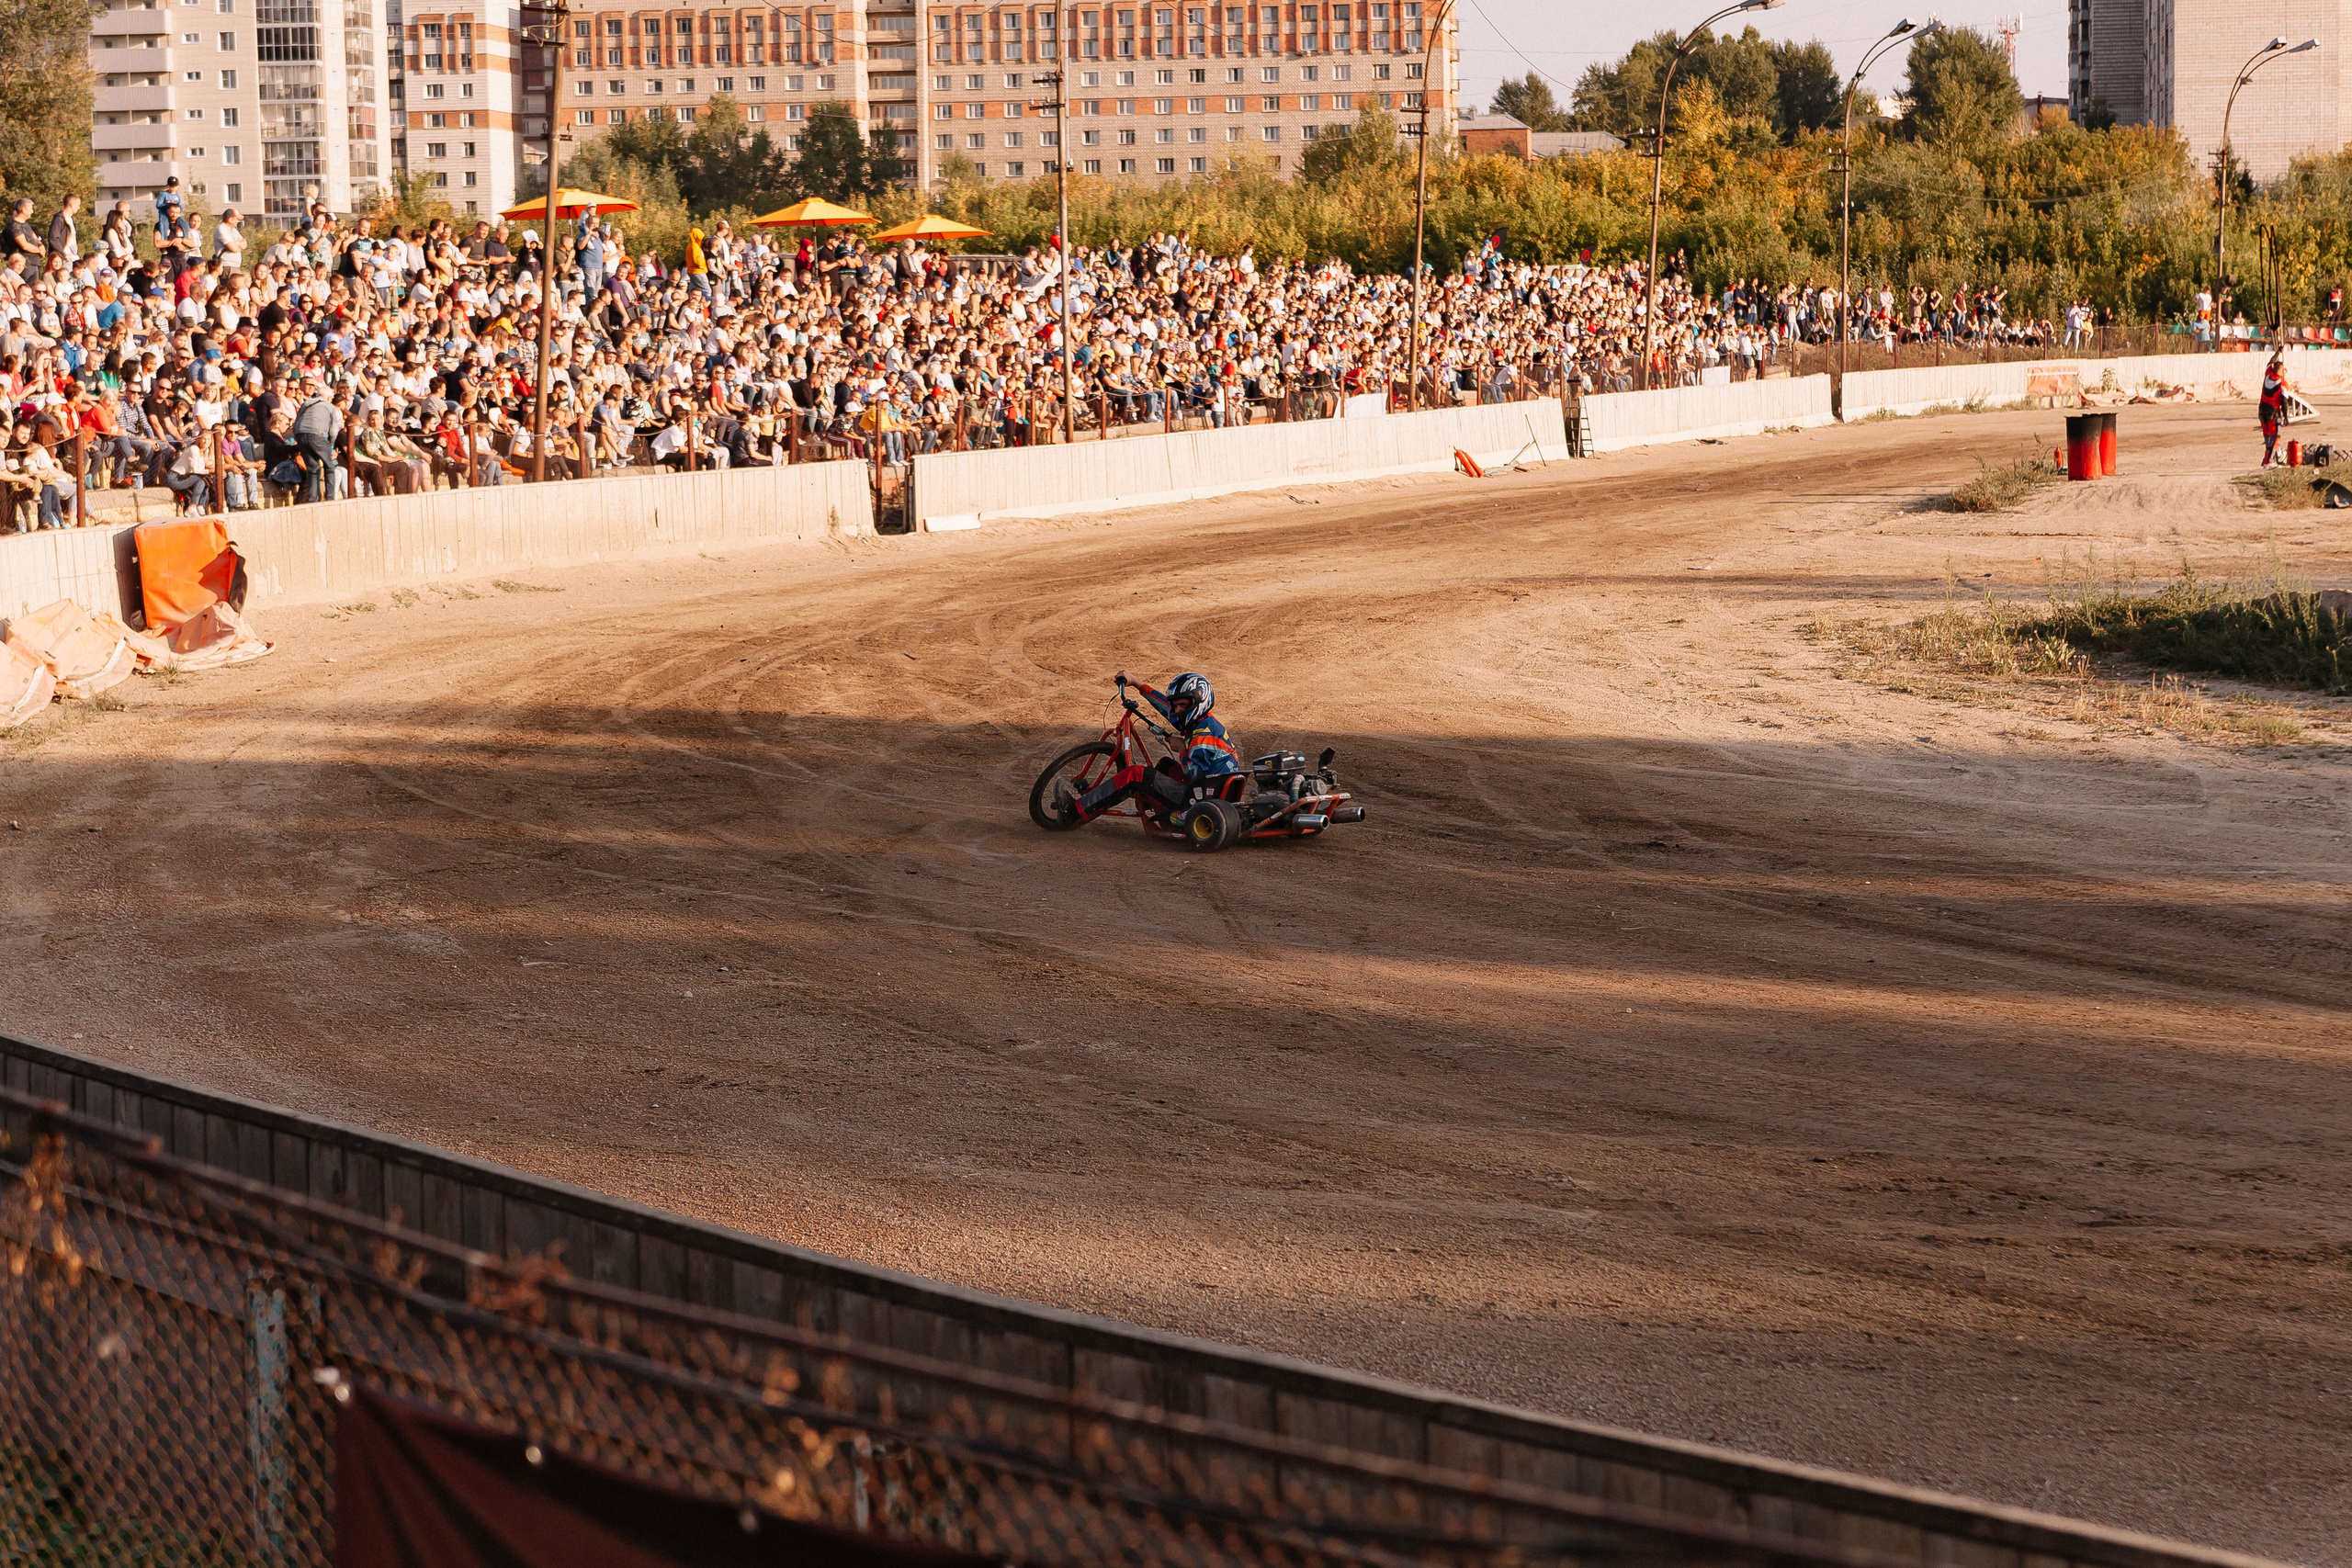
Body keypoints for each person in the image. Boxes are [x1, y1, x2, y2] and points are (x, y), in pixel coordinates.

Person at [1115, 671, 1239, 783]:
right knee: (1165, 765)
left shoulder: (1203, 734)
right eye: (1175, 705)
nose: (1177, 709)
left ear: (1198, 701)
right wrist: (1135, 682)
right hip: (1210, 787)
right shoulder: (1203, 722)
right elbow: (1163, 705)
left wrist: (1181, 748)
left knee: (1137, 774)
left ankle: (1095, 803)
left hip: (1204, 796)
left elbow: (1194, 774)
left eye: (1182, 705)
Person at [2259, 352, 2289, 467]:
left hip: (2262, 410)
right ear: (2282, 371)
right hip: (2273, 412)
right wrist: (2286, 417)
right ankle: (2270, 461)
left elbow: (2270, 362)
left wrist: (2278, 352)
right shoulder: (2283, 383)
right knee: (2275, 436)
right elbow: (2284, 402)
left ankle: (2269, 458)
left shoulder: (2268, 374)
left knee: (2267, 436)